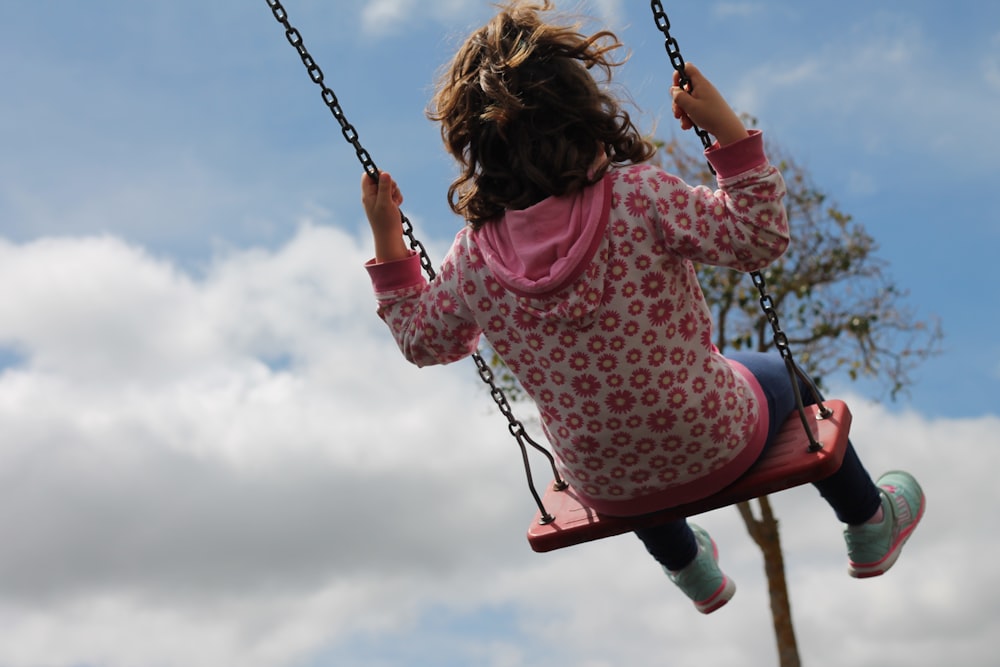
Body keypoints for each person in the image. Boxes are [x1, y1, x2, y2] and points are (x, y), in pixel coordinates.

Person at [361, 1, 924, 614]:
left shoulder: (471, 258)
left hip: (604, 484)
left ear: (473, 146)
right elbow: (757, 238)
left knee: (614, 435)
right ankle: (869, 521)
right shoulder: (639, 196)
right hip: (717, 439)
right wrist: (728, 133)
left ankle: (693, 572)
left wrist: (390, 240)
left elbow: (422, 340)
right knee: (779, 374)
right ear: (583, 114)